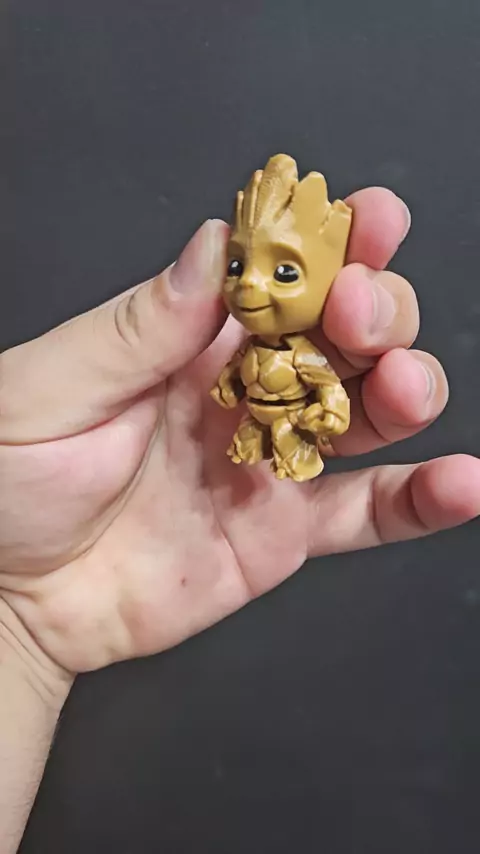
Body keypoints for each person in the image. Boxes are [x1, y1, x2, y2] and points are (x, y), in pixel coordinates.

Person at [1, 188, 479, 853]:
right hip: (252, 420)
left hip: (286, 423)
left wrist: (326, 412)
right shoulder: (247, 350)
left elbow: (329, 395)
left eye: (283, 270)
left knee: (283, 444)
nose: (250, 286)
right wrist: (19, 619)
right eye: (237, 265)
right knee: (251, 439)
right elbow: (231, 375)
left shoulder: (304, 355)